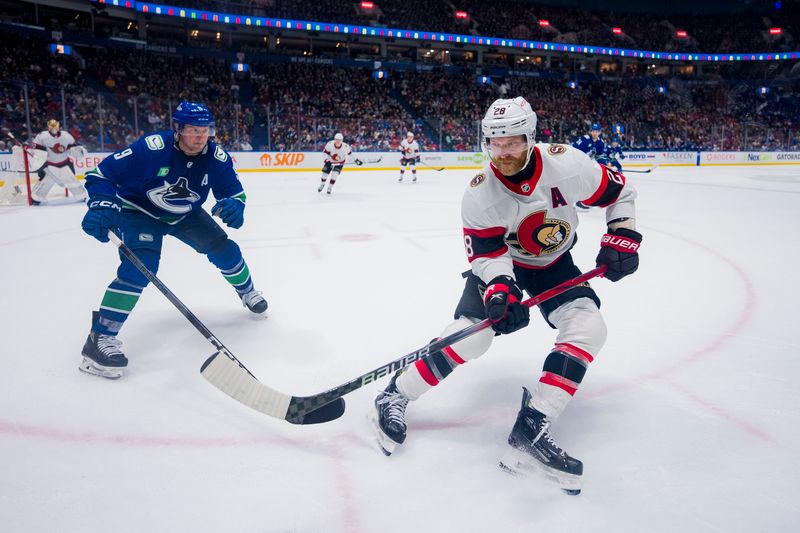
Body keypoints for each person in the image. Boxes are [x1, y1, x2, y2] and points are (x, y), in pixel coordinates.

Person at [370, 97, 641, 495]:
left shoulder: (569, 165)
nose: (503, 153)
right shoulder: (480, 194)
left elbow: (621, 192)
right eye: (495, 144)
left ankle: (532, 425)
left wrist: (623, 235)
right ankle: (396, 392)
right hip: (505, 266)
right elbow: (486, 254)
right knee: (472, 336)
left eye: (511, 142)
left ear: (531, 137)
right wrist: (500, 290)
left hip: (552, 263)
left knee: (588, 325)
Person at [78, 101, 268, 380]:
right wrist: (103, 204)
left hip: (184, 213)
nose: (200, 136)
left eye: (205, 130)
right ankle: (100, 338)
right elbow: (101, 175)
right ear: (177, 129)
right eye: (193, 130)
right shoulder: (151, 148)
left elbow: (233, 191)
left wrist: (235, 204)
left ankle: (248, 292)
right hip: (140, 212)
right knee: (139, 267)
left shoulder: (217, 157)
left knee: (226, 251)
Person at [29, 119, 87, 204]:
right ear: (48, 126)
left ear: (58, 126)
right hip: (50, 165)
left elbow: (72, 148)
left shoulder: (66, 135)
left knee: (71, 180)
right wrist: (38, 160)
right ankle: (37, 199)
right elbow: (37, 150)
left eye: (55, 126)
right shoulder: (42, 136)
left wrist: (78, 151)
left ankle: (81, 196)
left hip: (64, 164)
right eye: (51, 126)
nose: (53, 128)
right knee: (46, 182)